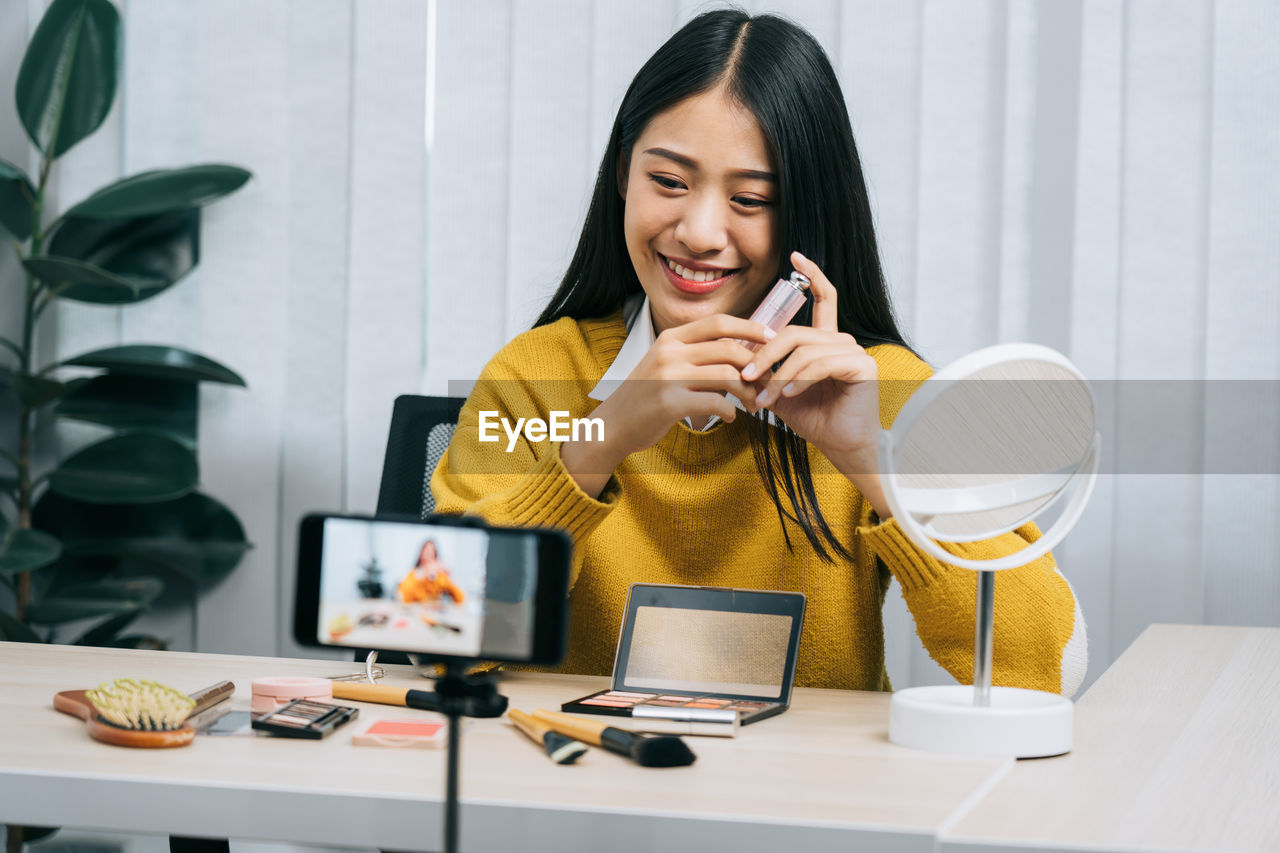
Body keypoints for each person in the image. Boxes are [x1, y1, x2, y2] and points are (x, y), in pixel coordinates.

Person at [431, 10, 1086, 694]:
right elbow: (438, 635)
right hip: (583, 779)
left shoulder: (877, 386)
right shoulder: (537, 375)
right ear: (624, 174)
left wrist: (874, 464)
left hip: (801, 794)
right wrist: (597, 443)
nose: (700, 231)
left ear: (805, 210)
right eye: (669, 182)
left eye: (750, 198)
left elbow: (1046, 666)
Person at [398, 540, 466, 605]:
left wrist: (449, 577)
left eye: (432, 552)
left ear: (435, 557)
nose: (429, 555)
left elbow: (460, 599)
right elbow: (404, 598)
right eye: (426, 552)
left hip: (435, 614)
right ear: (420, 555)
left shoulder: (440, 577)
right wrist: (423, 576)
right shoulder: (413, 574)